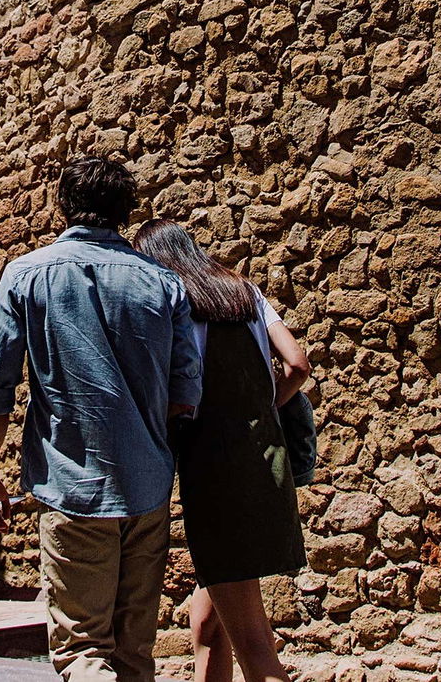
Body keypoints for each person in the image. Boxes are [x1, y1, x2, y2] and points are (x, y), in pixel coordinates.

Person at [0, 158, 202, 681]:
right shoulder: (165, 285)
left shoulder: (26, 275)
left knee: (82, 651)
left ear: (63, 205)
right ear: (126, 211)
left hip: (74, 486)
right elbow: (186, 393)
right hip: (148, 488)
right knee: (135, 653)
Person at [132, 219, 311, 682]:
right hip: (266, 465)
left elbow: (177, 396)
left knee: (254, 646)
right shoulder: (246, 293)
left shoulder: (173, 306)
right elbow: (296, 365)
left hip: (214, 474)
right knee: (209, 623)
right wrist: (261, 406)